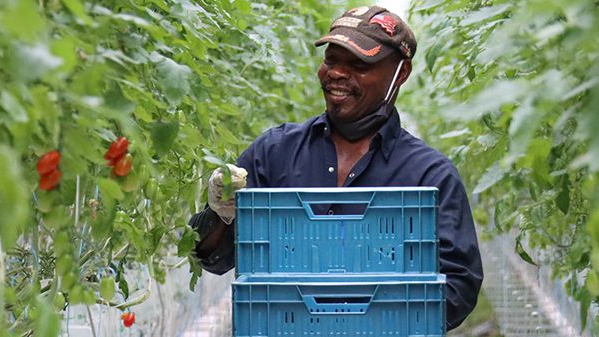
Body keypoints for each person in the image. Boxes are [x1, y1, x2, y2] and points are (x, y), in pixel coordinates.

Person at [188, 6, 483, 330]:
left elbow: (459, 286)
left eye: (358, 64)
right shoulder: (274, 153)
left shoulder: (429, 176)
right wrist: (221, 212)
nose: (337, 73)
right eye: (331, 60)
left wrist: (367, 313)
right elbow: (210, 256)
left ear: (400, 74)